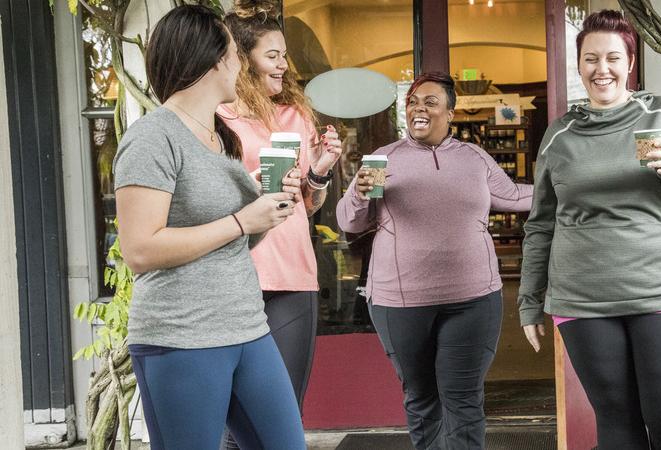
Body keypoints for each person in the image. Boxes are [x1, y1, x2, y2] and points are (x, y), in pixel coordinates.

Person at [517, 10, 661, 450]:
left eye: (612, 58)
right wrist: (530, 302)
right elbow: (541, 225)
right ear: (579, 64)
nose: (601, 69)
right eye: (590, 59)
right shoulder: (560, 135)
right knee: (617, 422)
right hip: (584, 298)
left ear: (630, 63)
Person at [113, 5, 306, 449]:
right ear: (213, 59)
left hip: (246, 328)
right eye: (235, 51)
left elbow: (232, 237)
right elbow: (140, 250)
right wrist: (241, 219)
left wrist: (264, 209)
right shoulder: (152, 137)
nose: (241, 62)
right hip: (181, 337)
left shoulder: (220, 136)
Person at [336, 72, 533, 449]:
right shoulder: (384, 158)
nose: (419, 108)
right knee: (423, 400)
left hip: (473, 300)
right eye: (412, 102)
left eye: (430, 101)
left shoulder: (473, 158)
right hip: (401, 302)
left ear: (450, 114)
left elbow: (515, 196)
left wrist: (571, 187)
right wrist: (360, 193)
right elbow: (350, 221)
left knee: (464, 400)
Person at [217, 3, 343, 448]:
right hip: (236, 272)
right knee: (236, 414)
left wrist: (321, 170)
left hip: (292, 272)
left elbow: (307, 204)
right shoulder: (217, 115)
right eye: (272, 55)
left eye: (284, 56)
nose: (283, 65)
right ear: (243, 57)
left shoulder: (295, 114)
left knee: (285, 411)